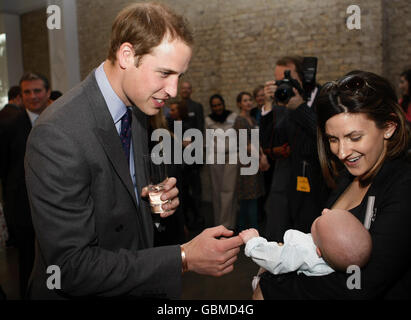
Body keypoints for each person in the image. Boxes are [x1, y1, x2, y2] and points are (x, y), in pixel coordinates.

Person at [24, 3, 243, 300]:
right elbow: (70, 267)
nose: (173, 90)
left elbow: (122, 195)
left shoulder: (137, 110)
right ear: (127, 55)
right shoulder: (58, 133)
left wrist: (155, 201)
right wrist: (183, 257)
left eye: (179, 75)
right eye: (164, 73)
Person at [254, 70, 411, 299]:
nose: (342, 152)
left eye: (354, 137)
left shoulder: (403, 186)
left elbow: (360, 283)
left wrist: (271, 289)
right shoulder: (347, 177)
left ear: (388, 127)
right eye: (333, 140)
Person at [261, 55, 329, 241]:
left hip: (320, 181)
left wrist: (300, 107)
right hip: (292, 179)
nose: (282, 84)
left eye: (286, 78)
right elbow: (269, 142)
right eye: (278, 80)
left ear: (305, 76)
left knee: (314, 235)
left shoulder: (326, 97)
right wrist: (267, 106)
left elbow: (326, 135)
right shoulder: (286, 101)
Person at [0, 73, 50, 299]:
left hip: (55, 207)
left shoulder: (59, 120)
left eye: (37, 91)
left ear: (47, 92)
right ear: (21, 95)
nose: (33, 96)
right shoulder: (9, 126)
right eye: (27, 92)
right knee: (27, 263)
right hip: (23, 210)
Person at [240, 208, 372, 291]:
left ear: (318, 251)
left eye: (321, 219)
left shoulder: (306, 252)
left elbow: (275, 258)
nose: (325, 210)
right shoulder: (334, 254)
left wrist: (254, 242)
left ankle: (257, 282)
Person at [205, 94, 238, 230]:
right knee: (216, 191)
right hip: (215, 157)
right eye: (214, 106)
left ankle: (227, 225)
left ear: (223, 104)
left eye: (219, 104)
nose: (217, 108)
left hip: (231, 155)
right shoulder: (208, 120)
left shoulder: (233, 117)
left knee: (228, 191)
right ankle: (218, 224)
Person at [233, 92, 265, 231]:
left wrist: (262, 155)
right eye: (245, 100)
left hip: (255, 159)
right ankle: (249, 231)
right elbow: (243, 143)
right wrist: (260, 157)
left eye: (249, 100)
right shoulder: (239, 120)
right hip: (247, 163)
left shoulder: (252, 118)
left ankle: (248, 230)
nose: (248, 103)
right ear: (239, 104)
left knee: (252, 198)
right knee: (248, 199)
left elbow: (257, 140)